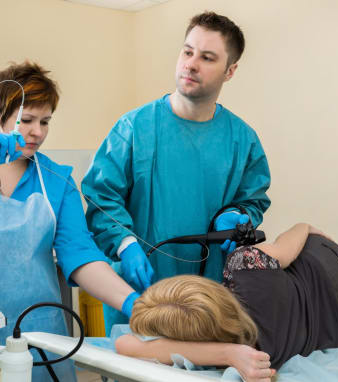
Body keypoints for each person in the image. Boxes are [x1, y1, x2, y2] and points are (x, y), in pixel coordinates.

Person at [0, 61, 139, 381]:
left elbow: (81, 256)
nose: (38, 132)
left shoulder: (57, 181)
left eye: (45, 121)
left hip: (37, 337)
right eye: (26, 120)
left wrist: (130, 301)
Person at [82, 11, 271, 334]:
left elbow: (253, 200)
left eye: (207, 57)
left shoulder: (243, 140)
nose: (191, 64)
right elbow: (101, 198)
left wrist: (239, 215)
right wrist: (126, 244)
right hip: (139, 295)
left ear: (230, 71)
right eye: (187, 51)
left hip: (210, 300)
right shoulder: (134, 128)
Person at [115, 223, 338, 382]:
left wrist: (228, 354)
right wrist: (307, 227)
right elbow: (294, 237)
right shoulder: (244, 266)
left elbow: (124, 344)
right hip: (328, 265)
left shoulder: (232, 354)